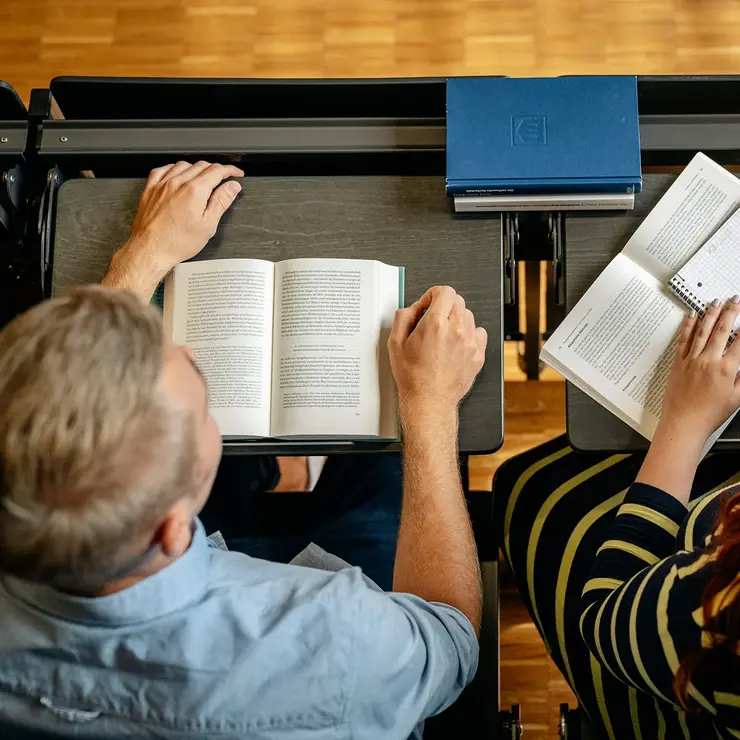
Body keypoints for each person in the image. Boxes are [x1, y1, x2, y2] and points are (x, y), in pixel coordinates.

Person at [0, 162, 488, 738]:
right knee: (387, 465)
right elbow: (450, 640)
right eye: (203, 410)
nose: (188, 356)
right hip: (322, 621)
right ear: (169, 528)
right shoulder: (345, 640)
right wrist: (429, 406)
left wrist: (142, 258)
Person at [495, 300, 740, 738]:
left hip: (659, 669)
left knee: (528, 486)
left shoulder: (719, 614)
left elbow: (604, 618)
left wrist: (684, 422)